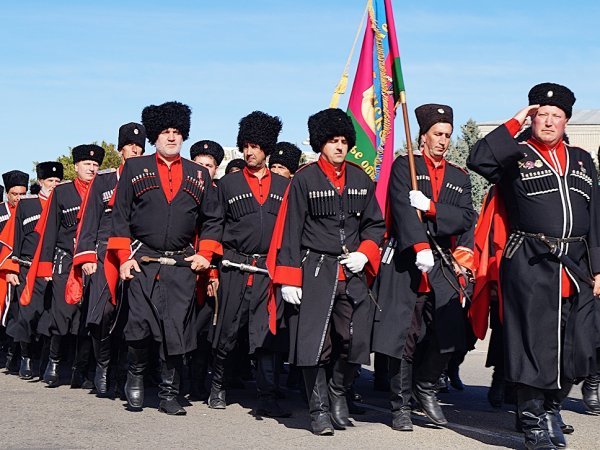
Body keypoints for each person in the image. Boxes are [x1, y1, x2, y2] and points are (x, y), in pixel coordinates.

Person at [467, 83, 600, 450]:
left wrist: (599, 267)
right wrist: (516, 120)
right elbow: (479, 158)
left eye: (557, 116)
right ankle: (532, 419)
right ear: (533, 117)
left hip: (576, 264)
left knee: (579, 348)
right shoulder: (516, 155)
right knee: (532, 347)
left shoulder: (583, 160)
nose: (549, 121)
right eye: (543, 114)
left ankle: (553, 407)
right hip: (530, 261)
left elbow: (596, 216)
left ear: (566, 121)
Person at [269, 108, 386, 435]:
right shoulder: (304, 179)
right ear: (321, 142)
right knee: (314, 345)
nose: (339, 146)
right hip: (314, 270)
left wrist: (365, 253)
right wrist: (289, 278)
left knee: (354, 341)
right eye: (333, 140)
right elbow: (290, 230)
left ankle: (338, 393)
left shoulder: (361, 178)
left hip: (352, 272)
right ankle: (318, 409)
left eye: (344, 140)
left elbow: (375, 225)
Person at [107, 101, 222, 415]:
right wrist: (123, 257)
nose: (171, 138)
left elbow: (213, 219)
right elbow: (120, 216)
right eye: (165, 132)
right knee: (139, 327)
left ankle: (170, 393)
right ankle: (135, 380)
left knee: (175, 330)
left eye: (176, 132)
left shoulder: (199, 174)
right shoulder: (134, 168)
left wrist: (205, 254)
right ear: (154, 137)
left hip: (182, 265)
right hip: (141, 260)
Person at [372, 104, 475, 430]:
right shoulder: (406, 166)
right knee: (404, 334)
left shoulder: (459, 175)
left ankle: (427, 385)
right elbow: (402, 208)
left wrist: (431, 207)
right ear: (424, 136)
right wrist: (418, 245)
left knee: (450, 329)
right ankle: (400, 406)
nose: (443, 141)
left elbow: (466, 218)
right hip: (408, 257)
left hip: (442, 259)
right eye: (438, 134)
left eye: (447, 135)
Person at [208, 111, 290, 417]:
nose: (249, 151)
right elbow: (214, 227)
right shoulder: (227, 184)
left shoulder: (285, 188)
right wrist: (215, 267)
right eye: (245, 145)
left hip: (269, 272)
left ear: (267, 148)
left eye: (255, 146)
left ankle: (268, 395)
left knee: (268, 335)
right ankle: (218, 386)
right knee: (226, 331)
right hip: (233, 268)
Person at [71, 122, 146, 398]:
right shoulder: (103, 181)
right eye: (130, 146)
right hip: (104, 254)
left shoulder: (146, 180)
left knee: (132, 316)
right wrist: (87, 256)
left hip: (135, 252)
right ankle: (102, 365)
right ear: (120, 149)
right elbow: (89, 218)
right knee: (102, 314)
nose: (135, 150)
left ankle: (124, 371)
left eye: (139, 147)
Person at [35, 145, 105, 389]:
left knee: (87, 317)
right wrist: (45, 268)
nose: (92, 168)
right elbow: (49, 231)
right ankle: (53, 363)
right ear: (76, 167)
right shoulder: (62, 192)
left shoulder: (104, 189)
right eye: (87, 164)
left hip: (95, 263)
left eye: (95, 165)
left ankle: (80, 370)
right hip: (65, 262)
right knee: (62, 313)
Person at [4, 162, 63, 380]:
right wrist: (12, 268)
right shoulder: (26, 205)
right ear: (40, 183)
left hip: (55, 269)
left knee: (50, 318)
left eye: (58, 181)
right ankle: (25, 359)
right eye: (50, 181)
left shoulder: (63, 203)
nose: (54, 185)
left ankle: (46, 363)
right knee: (27, 316)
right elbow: (14, 237)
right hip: (27, 269)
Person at [0, 170, 31, 372]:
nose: (18, 198)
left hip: (20, 267)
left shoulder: (29, 209)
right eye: (14, 194)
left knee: (19, 313)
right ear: (7, 194)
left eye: (22, 194)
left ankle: (15, 354)